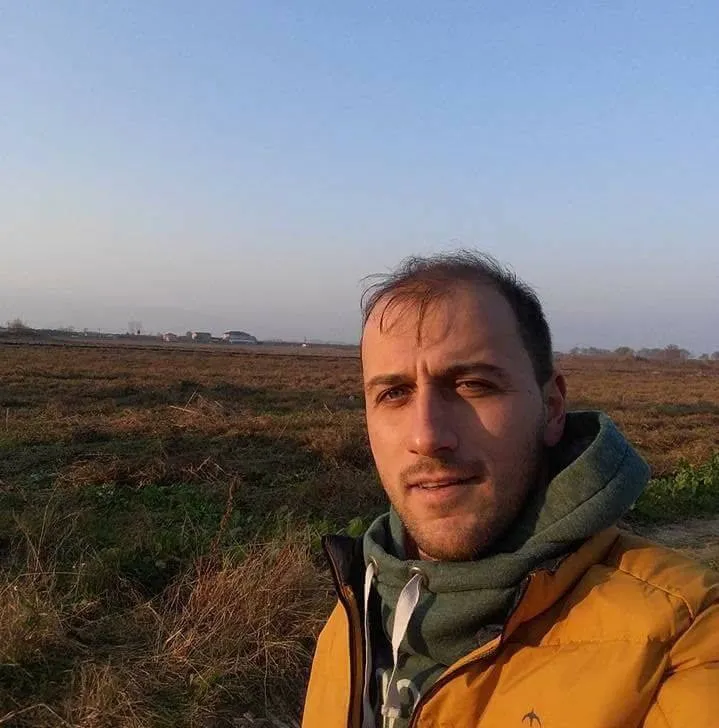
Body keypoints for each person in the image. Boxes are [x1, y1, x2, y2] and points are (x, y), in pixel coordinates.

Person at [302, 251, 719, 728]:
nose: (427, 436)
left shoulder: (684, 638)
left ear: (552, 407)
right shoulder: (355, 611)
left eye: (473, 385)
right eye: (393, 393)